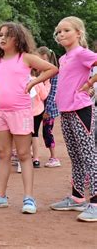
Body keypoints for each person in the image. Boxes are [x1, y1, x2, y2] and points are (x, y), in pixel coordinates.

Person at [0, 22, 58, 215]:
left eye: (8, 35)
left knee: (24, 154)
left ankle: (29, 198)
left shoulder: (26, 58)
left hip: (20, 111)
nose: (2, 38)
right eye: (0, 35)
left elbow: (52, 69)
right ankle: (0, 196)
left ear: (18, 39)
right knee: (3, 153)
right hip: (0, 111)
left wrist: (34, 81)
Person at [50, 16, 97, 222]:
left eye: (66, 30)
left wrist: (88, 84)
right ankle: (77, 198)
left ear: (78, 33)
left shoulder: (82, 54)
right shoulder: (64, 58)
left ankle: (95, 202)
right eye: (59, 31)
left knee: (89, 156)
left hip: (81, 110)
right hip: (66, 111)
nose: (61, 34)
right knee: (76, 156)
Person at [36, 46, 61, 168]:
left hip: (49, 108)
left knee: (47, 131)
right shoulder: (38, 71)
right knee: (32, 130)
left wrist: (48, 109)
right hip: (37, 105)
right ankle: (32, 154)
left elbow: (53, 92)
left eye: (44, 60)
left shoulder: (55, 73)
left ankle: (54, 157)